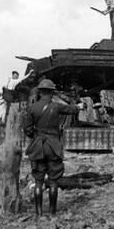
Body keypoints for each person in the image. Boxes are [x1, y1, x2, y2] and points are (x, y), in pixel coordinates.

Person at [23, 79, 83, 215]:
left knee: (38, 182)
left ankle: (38, 214)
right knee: (53, 181)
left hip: (38, 146)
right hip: (54, 146)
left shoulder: (32, 108)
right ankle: (52, 213)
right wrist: (79, 106)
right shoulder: (56, 107)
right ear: (51, 92)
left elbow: (27, 129)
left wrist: (36, 136)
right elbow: (72, 109)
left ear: (40, 92)